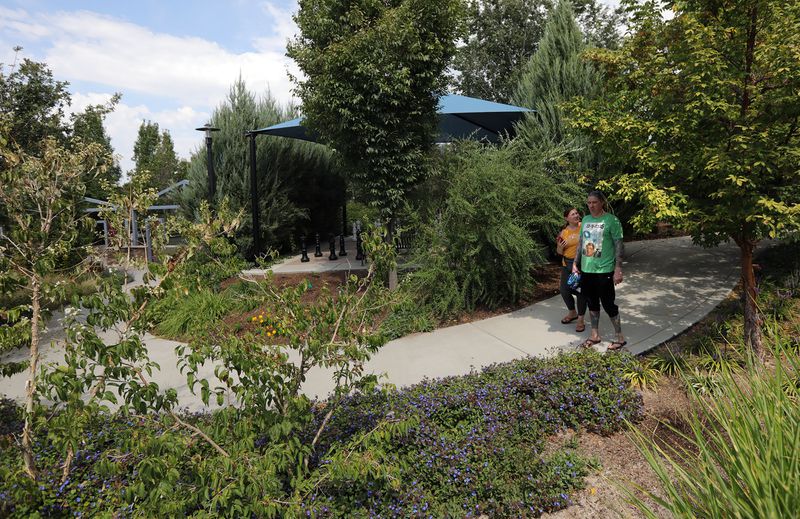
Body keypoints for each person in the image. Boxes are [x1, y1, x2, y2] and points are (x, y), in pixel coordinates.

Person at [572, 190, 626, 351]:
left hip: (605, 271)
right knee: (592, 303)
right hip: (587, 270)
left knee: (609, 304)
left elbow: (619, 246)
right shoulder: (586, 220)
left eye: (594, 202)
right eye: (588, 202)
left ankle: (620, 337)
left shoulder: (612, 221)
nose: (591, 205)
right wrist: (576, 263)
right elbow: (581, 243)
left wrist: (618, 268)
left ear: (602, 202)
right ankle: (594, 335)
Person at [556, 207, 587, 332]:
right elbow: (559, 252)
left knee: (580, 292)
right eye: (572, 214)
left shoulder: (584, 226)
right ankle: (572, 312)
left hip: (580, 264)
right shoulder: (563, 233)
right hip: (567, 264)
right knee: (564, 290)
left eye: (576, 213)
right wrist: (559, 247)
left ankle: (580, 319)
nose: (576, 215)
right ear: (566, 218)